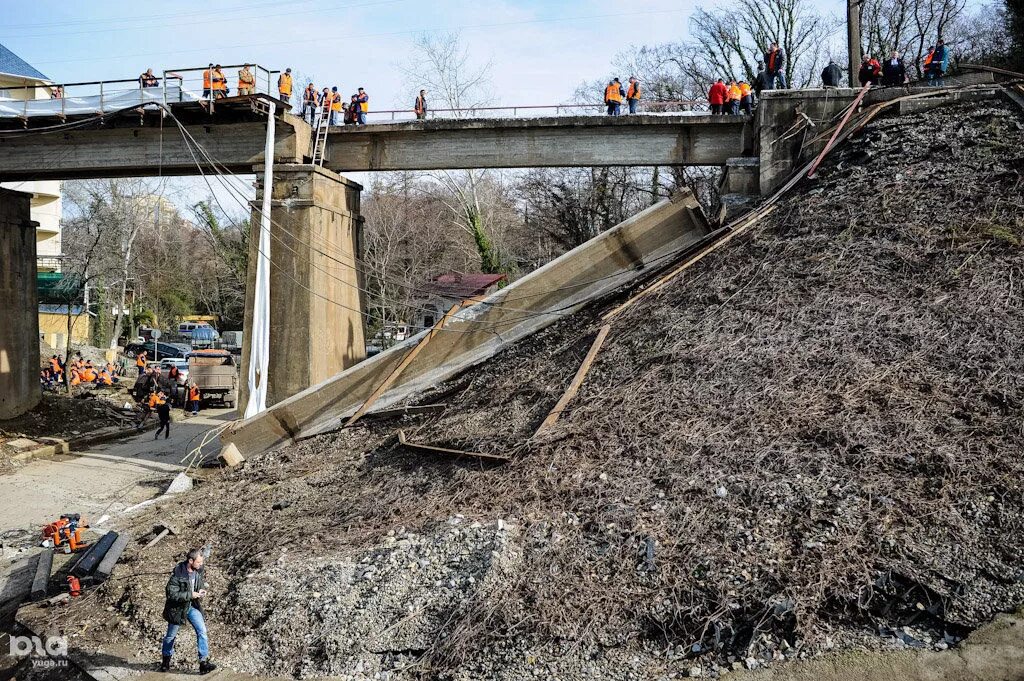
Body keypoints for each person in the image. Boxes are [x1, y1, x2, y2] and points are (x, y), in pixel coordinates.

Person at [159, 548, 216, 674]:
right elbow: (171, 594)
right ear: (190, 561)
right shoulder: (177, 575)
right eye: (199, 562)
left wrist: (200, 590)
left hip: (192, 606)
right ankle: (166, 662)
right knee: (170, 636)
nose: (201, 565)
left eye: (201, 562)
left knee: (202, 632)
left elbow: (198, 583)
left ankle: (203, 663)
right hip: (177, 609)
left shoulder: (198, 570)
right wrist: (191, 594)